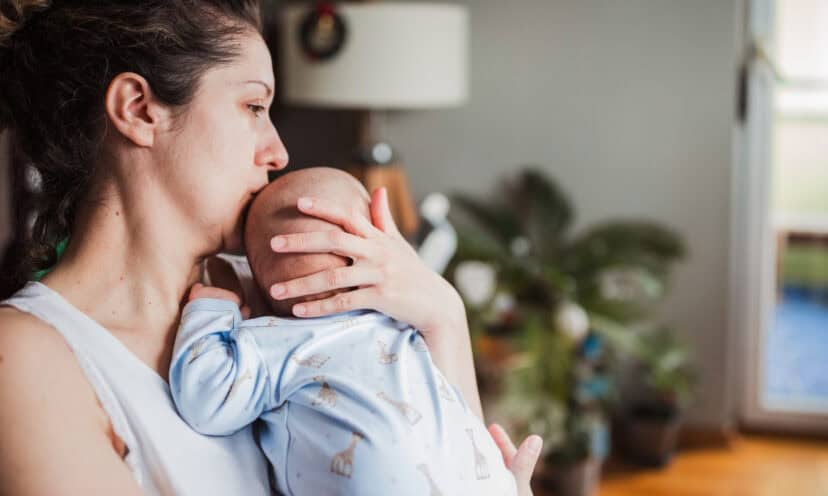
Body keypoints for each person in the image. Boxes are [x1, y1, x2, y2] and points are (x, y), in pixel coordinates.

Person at [0, 1, 541, 495]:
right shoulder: (26, 356)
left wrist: (442, 316)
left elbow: (444, 459)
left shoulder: (283, 300)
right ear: (140, 109)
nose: (279, 151)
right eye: (254, 106)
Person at [171, 167, 518, 495]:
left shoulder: (275, 341)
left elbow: (207, 401)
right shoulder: (404, 327)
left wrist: (210, 312)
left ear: (260, 282)